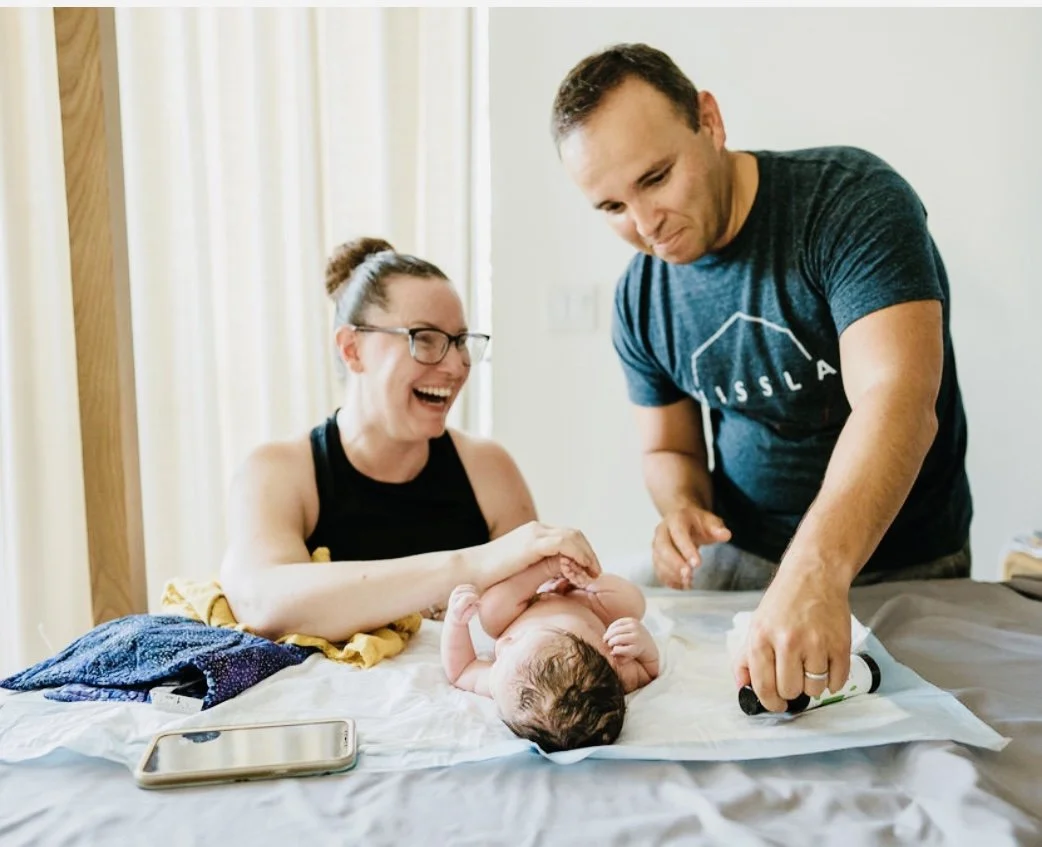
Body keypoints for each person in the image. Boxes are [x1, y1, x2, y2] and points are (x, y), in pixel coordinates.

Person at [550, 43, 973, 713]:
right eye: (610, 207)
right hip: (741, 563)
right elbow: (669, 449)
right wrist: (681, 506)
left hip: (901, 561)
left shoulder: (850, 200)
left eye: (656, 177)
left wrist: (814, 571)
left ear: (710, 122)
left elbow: (897, 399)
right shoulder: (641, 297)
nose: (644, 223)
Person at [219, 237, 601, 643]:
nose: (456, 366)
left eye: (459, 342)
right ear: (353, 349)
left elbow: (538, 612)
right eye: (426, 338)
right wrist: (471, 565)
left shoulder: (488, 467)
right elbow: (265, 605)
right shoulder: (278, 471)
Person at [441, 557, 660, 753]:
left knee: (491, 609)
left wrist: (455, 623)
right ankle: (583, 578)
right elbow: (649, 671)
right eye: (517, 641)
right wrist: (642, 643)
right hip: (584, 603)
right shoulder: (612, 665)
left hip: (523, 607)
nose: (503, 643)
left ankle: (543, 569)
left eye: (499, 659)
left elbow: (461, 670)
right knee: (632, 602)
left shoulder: (501, 685)